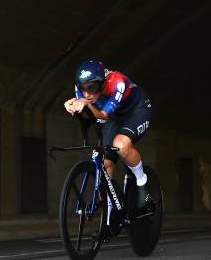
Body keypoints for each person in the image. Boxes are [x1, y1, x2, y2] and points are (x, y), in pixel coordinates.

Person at [63, 60, 153, 224]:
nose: (87, 93)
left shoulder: (117, 82)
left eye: (92, 88)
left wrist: (86, 106)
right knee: (106, 163)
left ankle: (142, 181)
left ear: (103, 83)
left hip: (137, 111)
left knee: (120, 145)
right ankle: (110, 213)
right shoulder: (82, 90)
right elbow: (88, 115)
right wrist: (74, 108)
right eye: (83, 88)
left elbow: (103, 115)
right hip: (115, 118)